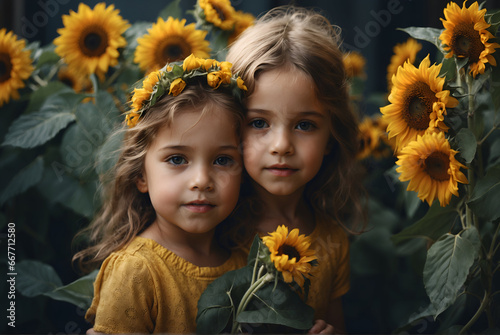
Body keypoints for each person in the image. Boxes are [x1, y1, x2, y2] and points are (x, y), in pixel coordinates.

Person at [73, 55, 249, 334]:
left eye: (223, 160)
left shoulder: (247, 261)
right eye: (178, 159)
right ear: (141, 175)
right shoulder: (136, 272)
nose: (202, 181)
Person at [226, 6, 366, 334]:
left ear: (331, 136)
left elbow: (336, 323)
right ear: (231, 128)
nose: (282, 145)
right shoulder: (213, 231)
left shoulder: (331, 240)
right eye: (259, 122)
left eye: (304, 125)